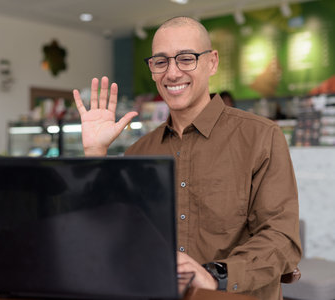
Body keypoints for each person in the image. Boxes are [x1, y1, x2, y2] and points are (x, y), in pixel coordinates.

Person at [73, 16, 301, 300]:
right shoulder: (138, 152)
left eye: (186, 58)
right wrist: (95, 154)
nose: (172, 73)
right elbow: (109, 237)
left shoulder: (261, 137)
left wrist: (213, 275)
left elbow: (281, 239)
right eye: (161, 62)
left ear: (212, 62)